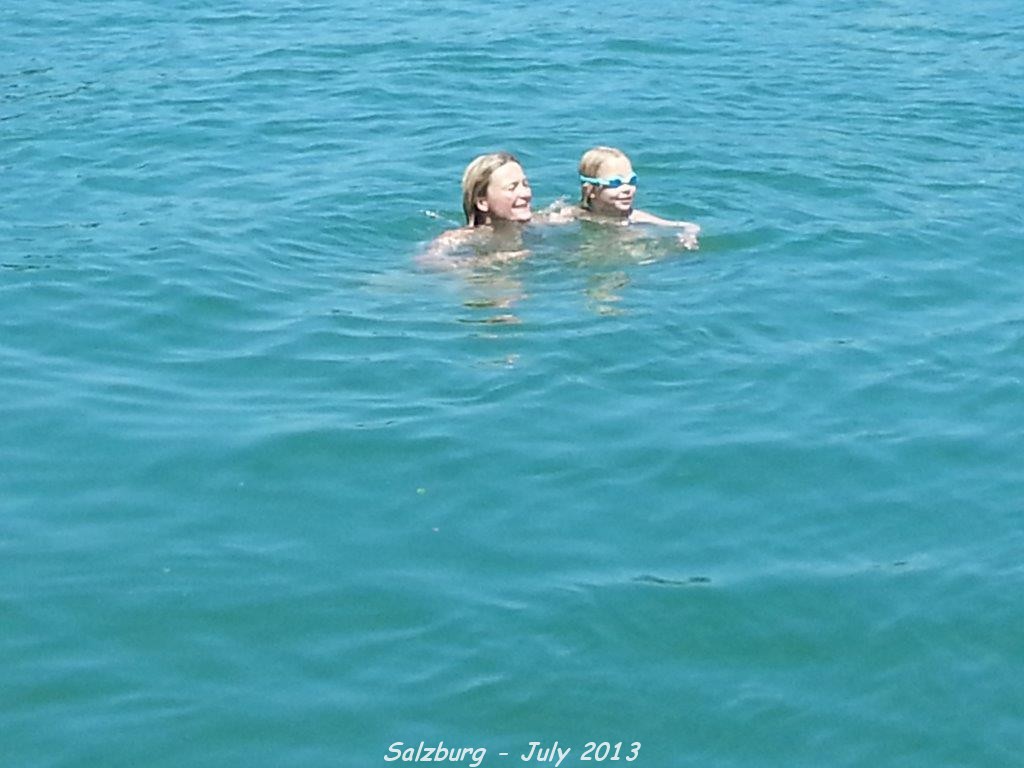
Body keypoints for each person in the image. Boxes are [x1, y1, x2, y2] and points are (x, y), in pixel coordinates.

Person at [551, 146, 700, 249]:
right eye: (615, 183)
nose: (627, 189)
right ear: (590, 190)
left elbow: (688, 226)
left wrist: (689, 234)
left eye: (631, 181)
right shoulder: (572, 215)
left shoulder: (634, 217)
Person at [421, 152, 534, 268]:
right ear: (482, 203)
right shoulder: (458, 239)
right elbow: (427, 263)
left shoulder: (536, 223)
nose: (526, 194)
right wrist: (491, 260)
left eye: (525, 184)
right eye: (511, 188)